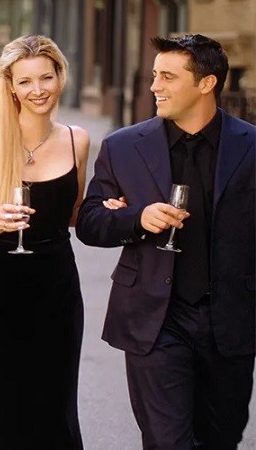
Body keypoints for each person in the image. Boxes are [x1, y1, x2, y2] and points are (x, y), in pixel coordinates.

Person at [77, 34, 255, 449]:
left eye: (168, 77)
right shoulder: (123, 147)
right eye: (155, 74)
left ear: (206, 83)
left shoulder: (251, 147)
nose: (154, 86)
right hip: (155, 321)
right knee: (166, 442)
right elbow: (89, 222)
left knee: (221, 439)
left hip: (230, 320)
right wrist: (136, 218)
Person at [0, 35, 90, 449]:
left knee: (56, 407)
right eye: (26, 81)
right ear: (11, 87)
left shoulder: (77, 139)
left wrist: (111, 207)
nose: (38, 90)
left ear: (60, 77)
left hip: (57, 287)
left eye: (46, 78)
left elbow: (73, 215)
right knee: (2, 406)